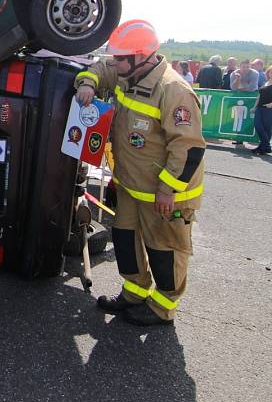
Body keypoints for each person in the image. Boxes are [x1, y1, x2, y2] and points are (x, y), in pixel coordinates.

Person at [75, 19, 206, 326]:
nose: (115, 62)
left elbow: (188, 148)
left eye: (121, 57)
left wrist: (167, 190)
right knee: (125, 241)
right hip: (132, 187)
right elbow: (98, 68)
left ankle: (162, 308)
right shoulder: (126, 73)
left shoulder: (173, 90)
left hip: (165, 195)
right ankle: (134, 293)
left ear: (142, 57)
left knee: (165, 251)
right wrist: (86, 83)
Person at [252, 65, 272, 156]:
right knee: (258, 126)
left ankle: (263, 147)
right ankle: (266, 146)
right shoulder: (266, 82)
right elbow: (259, 96)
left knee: (266, 128)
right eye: (270, 72)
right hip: (260, 108)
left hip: (269, 109)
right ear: (268, 73)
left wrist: (271, 105)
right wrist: (254, 107)